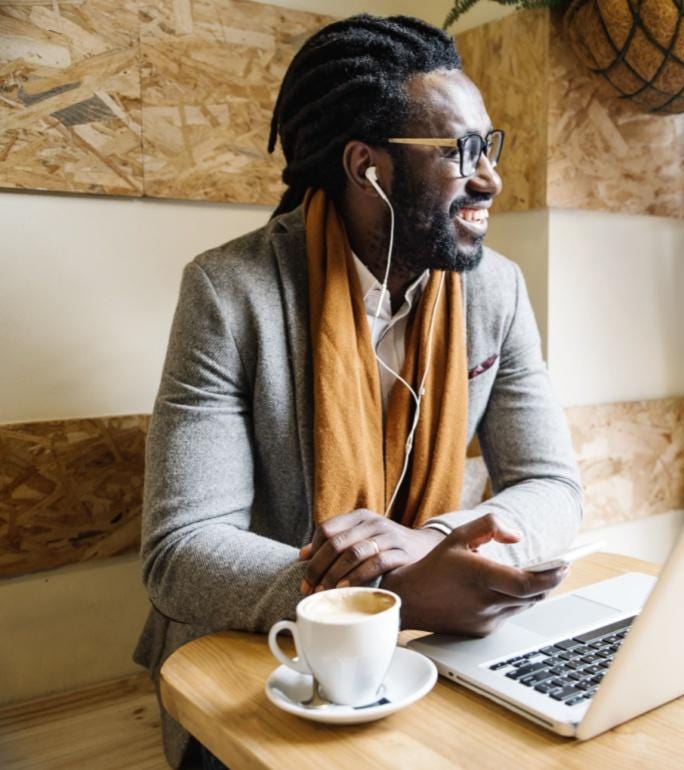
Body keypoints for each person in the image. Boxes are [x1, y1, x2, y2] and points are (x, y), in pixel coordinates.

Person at [133, 15, 583, 768]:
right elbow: (180, 552)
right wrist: (389, 588)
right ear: (366, 166)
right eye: (457, 152)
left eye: (488, 146)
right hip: (264, 658)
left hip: (438, 650)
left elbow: (552, 484)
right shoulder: (228, 292)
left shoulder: (497, 292)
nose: (490, 178)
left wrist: (434, 542)